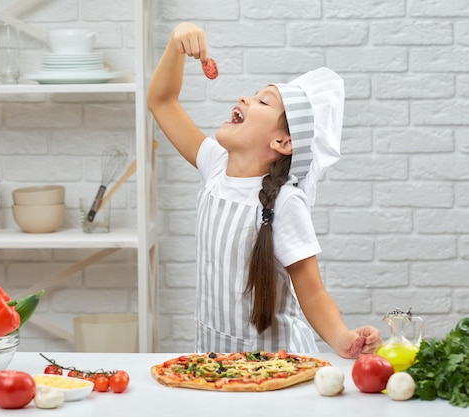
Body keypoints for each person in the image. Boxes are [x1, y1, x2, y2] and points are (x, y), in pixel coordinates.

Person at [147, 22, 381, 358]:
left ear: (283, 141)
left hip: (276, 365)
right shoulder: (215, 164)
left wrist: (343, 338)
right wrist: (175, 46)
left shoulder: (285, 202)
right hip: (215, 360)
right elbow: (161, 101)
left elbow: (312, 294)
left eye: (263, 101)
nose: (245, 97)